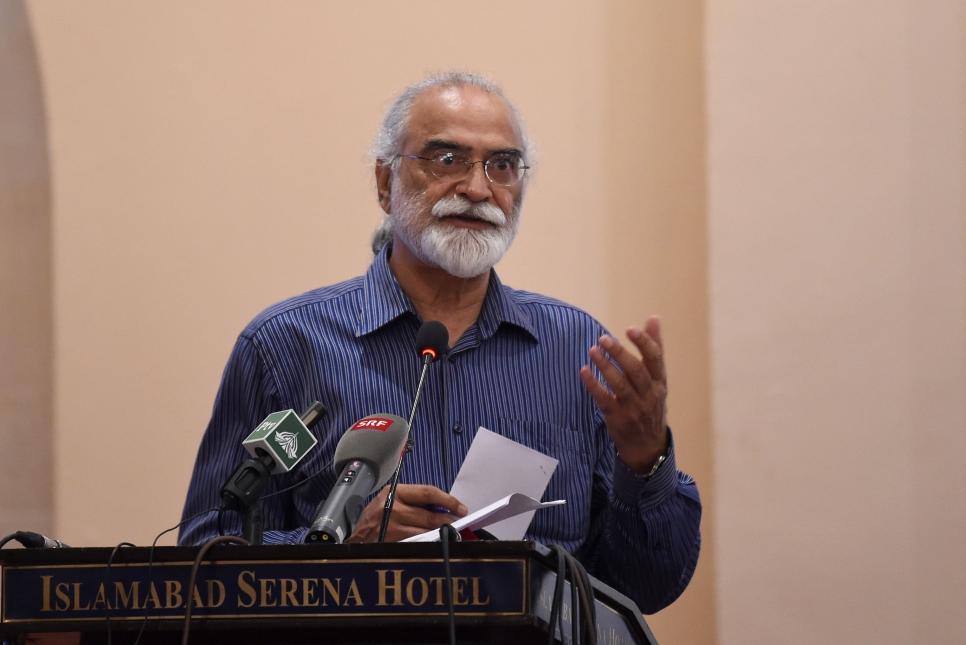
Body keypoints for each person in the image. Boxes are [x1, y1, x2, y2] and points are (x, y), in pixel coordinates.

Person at [179, 72, 701, 613]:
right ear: (385, 183)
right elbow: (203, 560)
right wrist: (339, 542)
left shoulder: (576, 350)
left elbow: (645, 586)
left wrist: (644, 461)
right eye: (447, 159)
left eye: (502, 165)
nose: (478, 189)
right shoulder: (287, 347)